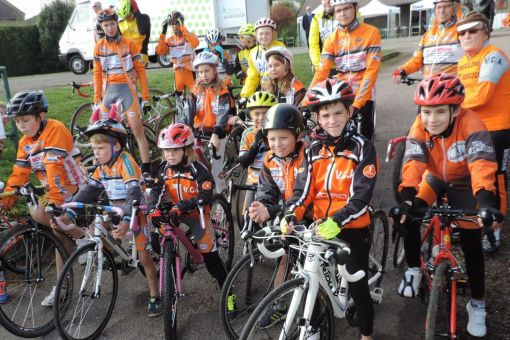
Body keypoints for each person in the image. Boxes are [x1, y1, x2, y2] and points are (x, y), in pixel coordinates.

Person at [394, 74, 502, 337]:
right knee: (408, 218)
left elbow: (481, 165)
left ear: (455, 110)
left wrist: (486, 202)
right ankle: (413, 269)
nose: (432, 119)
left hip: (466, 184)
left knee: (472, 243)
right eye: (426, 111)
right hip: (435, 179)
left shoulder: (472, 123)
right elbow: (413, 163)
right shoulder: (420, 125)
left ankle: (477, 304)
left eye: (440, 111)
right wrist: (407, 198)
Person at [283, 79, 377, 340]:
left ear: (349, 112)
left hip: (353, 226)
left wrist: (338, 219)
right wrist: (291, 213)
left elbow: (362, 197)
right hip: (320, 227)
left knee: (358, 288)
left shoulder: (363, 147)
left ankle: (367, 335)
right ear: (317, 117)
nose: (332, 120)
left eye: (338, 113)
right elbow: (303, 192)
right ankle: (312, 328)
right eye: (325, 114)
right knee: (307, 274)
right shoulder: (313, 150)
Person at [60, 118, 160, 316]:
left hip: (135, 210)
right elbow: (89, 190)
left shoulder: (126, 162)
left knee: (144, 257)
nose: (95, 152)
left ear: (116, 146)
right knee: (93, 229)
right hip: (114, 208)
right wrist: (70, 212)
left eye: (100, 147)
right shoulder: (101, 167)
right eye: (93, 148)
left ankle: (155, 294)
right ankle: (109, 254)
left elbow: (134, 194)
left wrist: (125, 221)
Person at [0, 90, 87, 305]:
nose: (21, 125)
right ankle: (77, 236)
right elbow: (20, 172)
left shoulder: (55, 129)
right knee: (38, 213)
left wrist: (56, 202)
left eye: (26, 120)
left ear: (41, 116)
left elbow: (54, 169)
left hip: (75, 188)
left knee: (58, 230)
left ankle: (62, 285)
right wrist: (6, 200)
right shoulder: (25, 142)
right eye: (17, 121)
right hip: (55, 192)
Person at [148, 123, 228, 295]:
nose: (170, 155)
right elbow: (156, 191)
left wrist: (181, 206)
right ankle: (170, 267)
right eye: (166, 150)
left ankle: (229, 293)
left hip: (196, 213)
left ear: (186, 149)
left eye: (175, 150)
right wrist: (152, 209)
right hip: (175, 211)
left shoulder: (198, 169)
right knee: (155, 241)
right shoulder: (163, 169)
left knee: (211, 259)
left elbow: (205, 196)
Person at [247, 103, 306, 328]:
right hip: (286, 215)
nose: (277, 144)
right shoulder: (269, 159)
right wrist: (260, 205)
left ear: (297, 136)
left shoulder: (307, 156)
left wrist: (271, 210)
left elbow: (303, 193)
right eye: (272, 139)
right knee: (285, 258)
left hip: (310, 213)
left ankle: (319, 307)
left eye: (283, 138)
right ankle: (280, 305)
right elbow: (267, 190)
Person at [456, 12, 510, 253]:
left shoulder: (494, 57)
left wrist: (451, 106)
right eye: (461, 32)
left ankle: (494, 230)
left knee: (496, 180)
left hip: (498, 128)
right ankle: (472, 220)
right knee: (470, 176)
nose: (466, 36)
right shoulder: (464, 61)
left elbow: (483, 94)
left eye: (472, 31)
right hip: (474, 127)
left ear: (486, 32)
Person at [308, 0, 381, 142]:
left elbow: (372, 70)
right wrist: (306, 102)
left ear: (355, 8)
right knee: (335, 135)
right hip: (342, 92)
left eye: (347, 8)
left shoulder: (371, 32)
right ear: (334, 12)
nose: (343, 13)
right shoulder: (331, 39)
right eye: (338, 10)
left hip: (364, 93)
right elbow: (321, 72)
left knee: (365, 138)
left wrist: (358, 103)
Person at [93, 8, 153, 179]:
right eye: (106, 25)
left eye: (112, 24)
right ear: (102, 26)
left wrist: (146, 96)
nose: (110, 28)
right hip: (109, 92)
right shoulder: (99, 47)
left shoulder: (129, 43)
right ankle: (109, 167)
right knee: (103, 132)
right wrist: (97, 98)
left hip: (128, 91)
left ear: (116, 23)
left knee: (137, 130)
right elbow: (97, 74)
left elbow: (140, 70)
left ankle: (147, 168)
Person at [185, 51, 234, 193]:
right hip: (199, 132)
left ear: (214, 70)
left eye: (207, 71)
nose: (203, 75)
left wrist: (216, 134)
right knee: (195, 164)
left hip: (217, 133)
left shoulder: (222, 90)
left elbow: (223, 115)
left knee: (216, 170)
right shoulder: (196, 90)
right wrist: (185, 127)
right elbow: (189, 111)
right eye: (200, 72)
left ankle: (221, 198)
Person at [392, 0, 464, 82]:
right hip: (428, 88)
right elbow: (417, 60)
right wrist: (403, 70)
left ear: (454, 9)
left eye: (446, 7)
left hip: (453, 88)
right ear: (435, 11)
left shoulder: (462, 31)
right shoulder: (427, 35)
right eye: (439, 7)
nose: (442, 11)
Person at [238, 91, 277, 213]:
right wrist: (255, 145)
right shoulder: (248, 134)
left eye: (265, 114)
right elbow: (244, 163)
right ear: (250, 115)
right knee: (247, 217)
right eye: (257, 114)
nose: (261, 118)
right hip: (254, 181)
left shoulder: (278, 132)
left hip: (275, 180)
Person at [240, 17, 285, 101]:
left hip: (281, 88)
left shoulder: (279, 47)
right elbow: (252, 76)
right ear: (256, 35)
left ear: (273, 34)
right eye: (261, 34)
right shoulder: (253, 53)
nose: (264, 36)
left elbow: (286, 69)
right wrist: (245, 95)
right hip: (265, 89)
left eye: (267, 33)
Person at [156, 11, 199, 94]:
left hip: (190, 73)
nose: (175, 26)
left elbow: (195, 43)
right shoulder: (169, 40)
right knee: (179, 103)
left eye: (177, 23)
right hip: (178, 74)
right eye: (172, 24)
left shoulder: (188, 36)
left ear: (181, 23)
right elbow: (160, 51)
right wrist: (163, 33)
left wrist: (183, 27)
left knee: (196, 100)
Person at [116, 0, 151, 66]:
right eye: (124, 17)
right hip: (127, 55)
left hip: (141, 54)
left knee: (140, 75)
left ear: (133, 10)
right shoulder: (120, 23)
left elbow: (142, 31)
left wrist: (137, 10)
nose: (127, 19)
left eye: (128, 15)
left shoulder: (144, 18)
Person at [309, 0, 337, 76]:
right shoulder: (316, 18)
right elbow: (313, 45)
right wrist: (318, 66)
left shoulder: (349, 14)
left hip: (346, 66)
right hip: (325, 66)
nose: (327, 1)